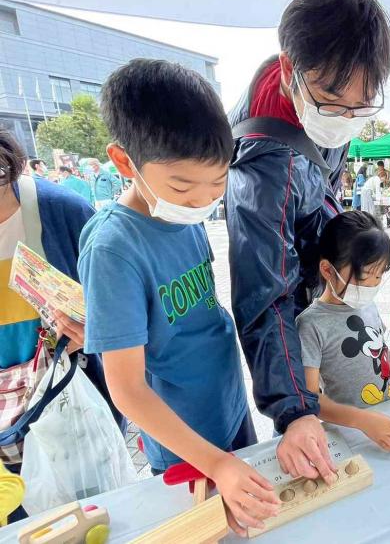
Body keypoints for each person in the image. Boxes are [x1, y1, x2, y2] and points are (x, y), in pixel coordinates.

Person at [78, 59, 279, 536]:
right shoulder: (113, 249)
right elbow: (126, 390)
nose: (201, 202)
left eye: (218, 184)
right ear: (125, 162)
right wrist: (216, 463)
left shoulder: (185, 218)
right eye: (183, 188)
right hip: (184, 442)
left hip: (229, 411)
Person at [226, 0, 390, 487]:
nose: (342, 118)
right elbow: (264, 294)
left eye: (359, 107)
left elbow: (322, 187)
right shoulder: (263, 168)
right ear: (287, 69)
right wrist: (295, 411)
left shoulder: (324, 108)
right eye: (329, 100)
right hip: (293, 309)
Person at [0, 129, 110, 523]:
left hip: (67, 404)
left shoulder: (62, 211)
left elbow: (122, 307)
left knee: (87, 518)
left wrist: (96, 331)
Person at [297, 211, 390, 449]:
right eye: (364, 276)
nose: (372, 285)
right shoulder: (311, 324)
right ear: (327, 270)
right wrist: (363, 421)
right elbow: (311, 399)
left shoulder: (366, 305)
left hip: (387, 415)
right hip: (351, 431)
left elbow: (380, 355)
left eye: (379, 275)